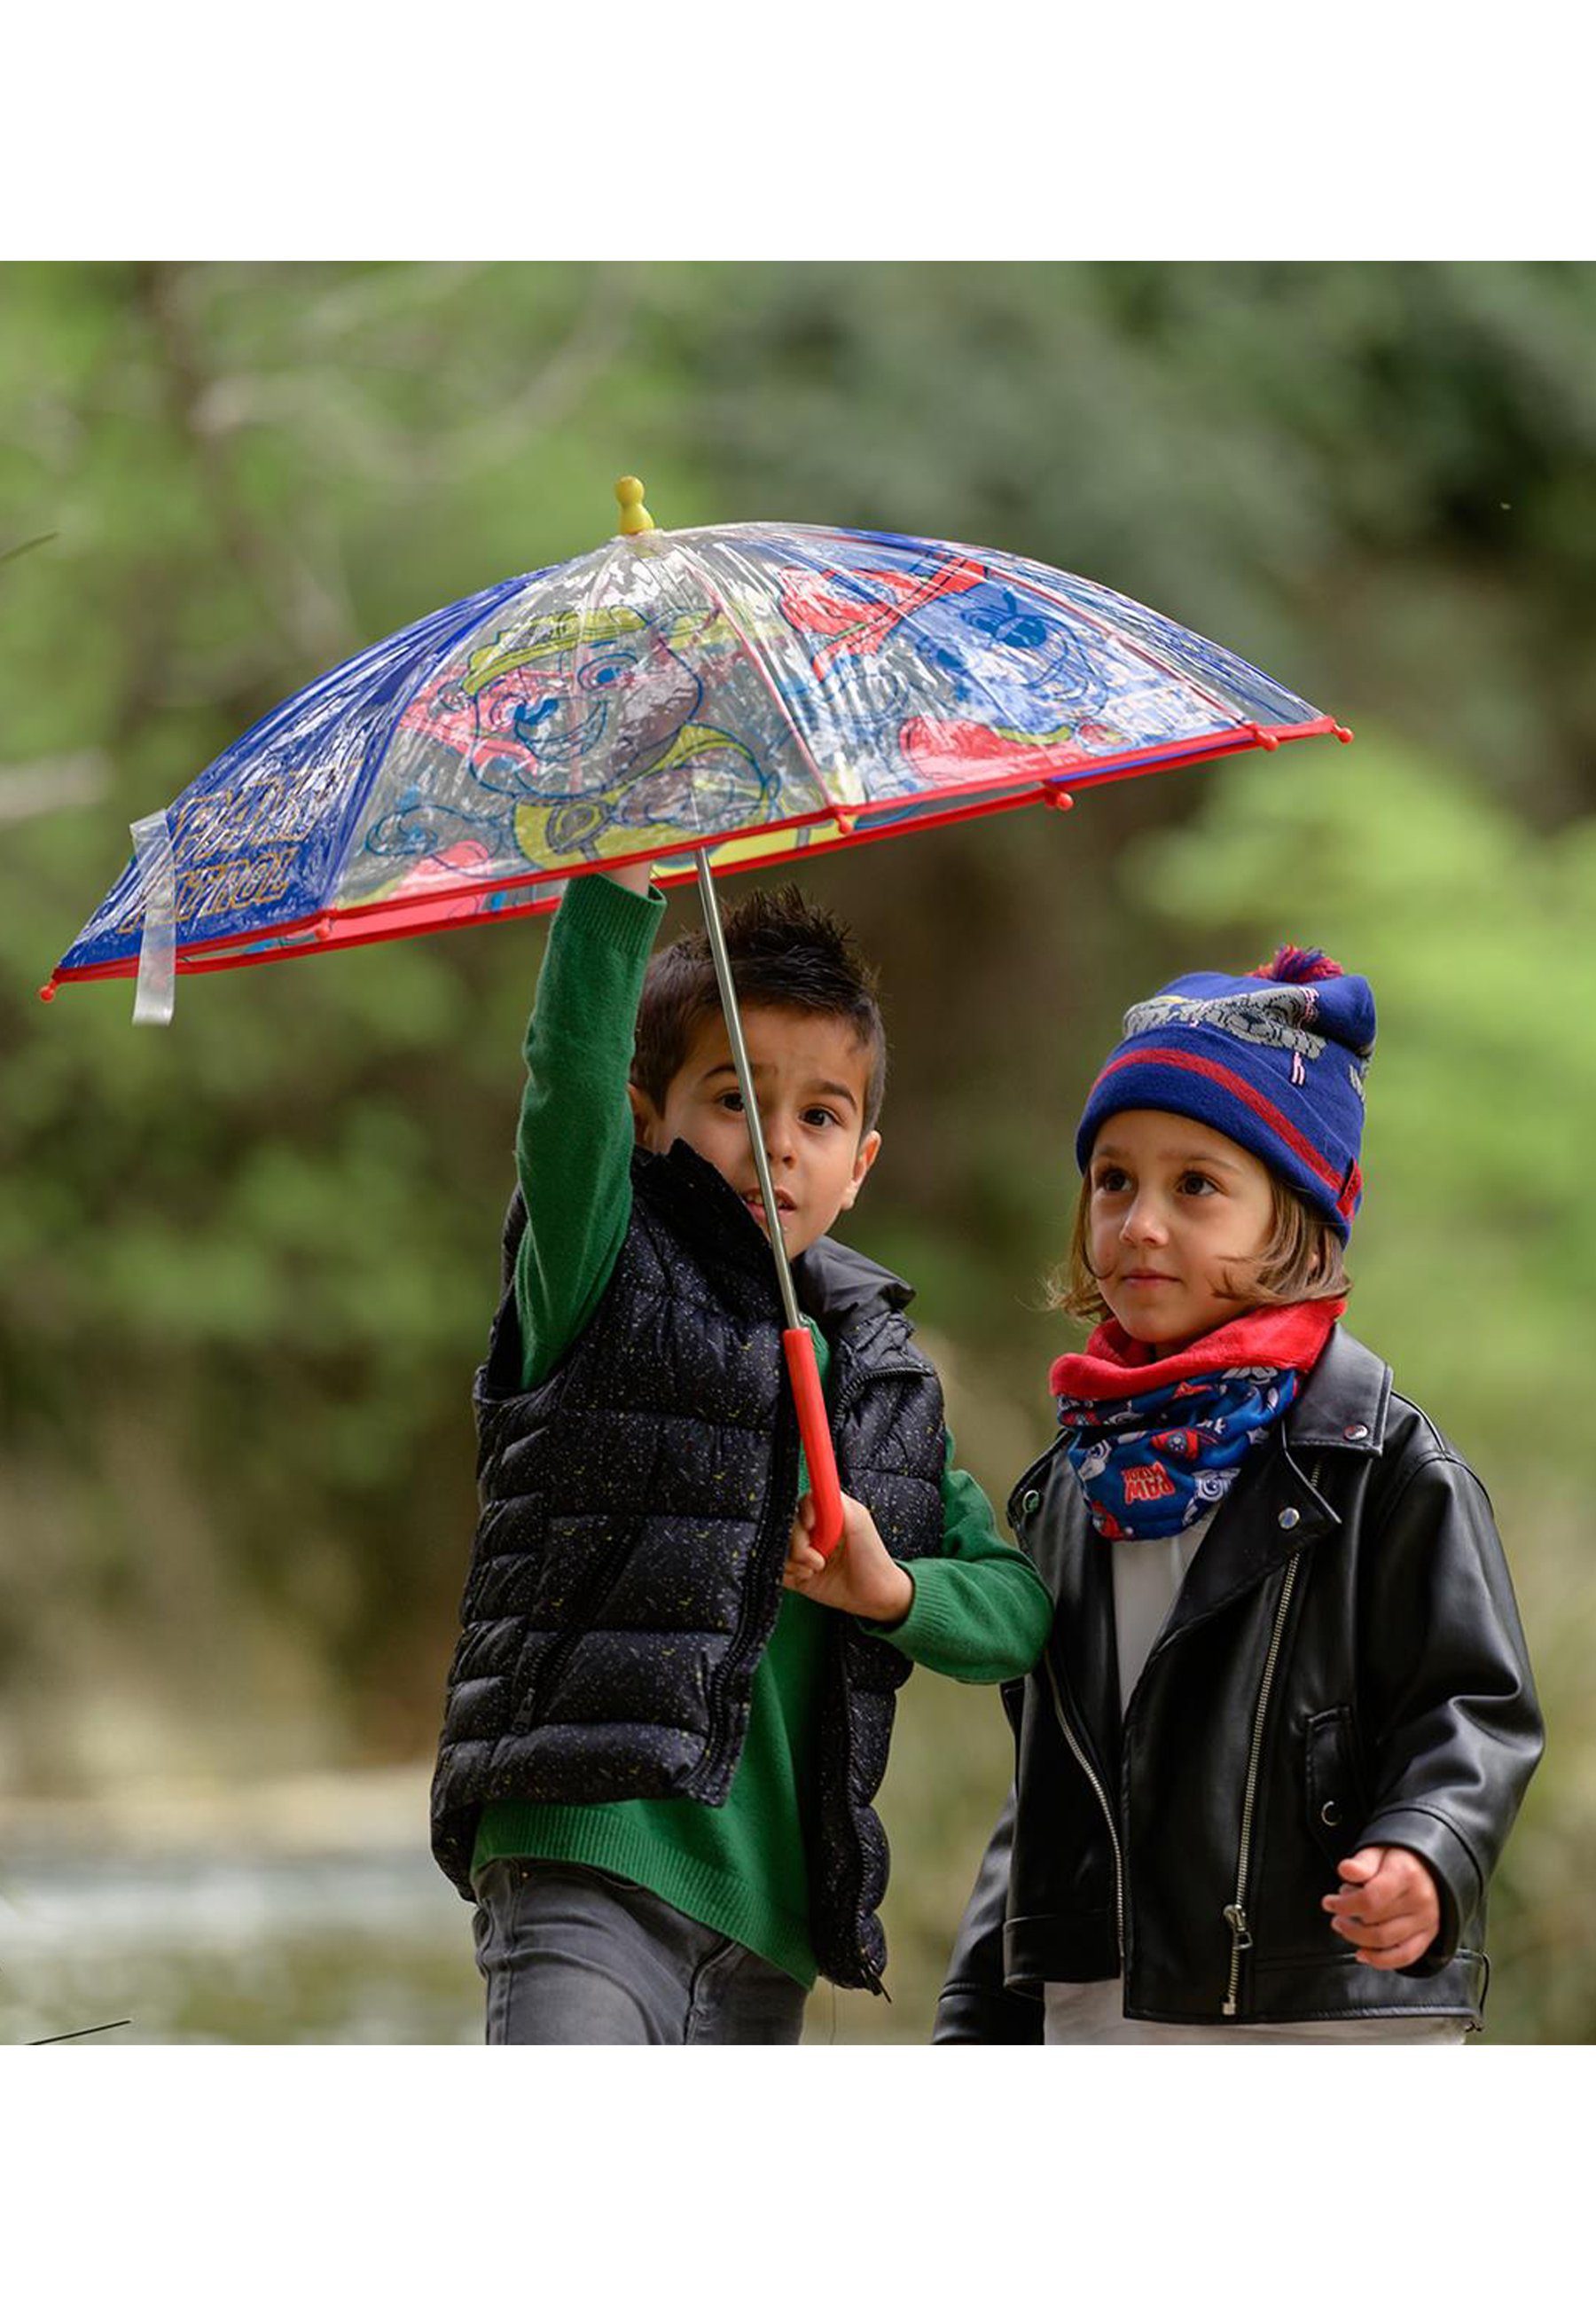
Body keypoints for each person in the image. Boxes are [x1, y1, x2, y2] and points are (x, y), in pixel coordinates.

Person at [430, 860, 1052, 2043]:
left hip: (768, 1922)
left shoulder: (884, 1387)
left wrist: (894, 1588)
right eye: (733, 1099)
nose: (777, 1144)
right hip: (591, 1856)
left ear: (862, 1162)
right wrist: (614, 883)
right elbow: (564, 1088)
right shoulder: (600, 1271)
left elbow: (1017, 1610)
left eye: (819, 1115)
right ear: (649, 1115)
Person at [933, 946, 1543, 2043]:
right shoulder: (1070, 1488)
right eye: (1114, 1179)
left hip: (1326, 2003)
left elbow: (1473, 1707)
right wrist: (980, 2011)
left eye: (1197, 1185)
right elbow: (1048, 1789)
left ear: (1295, 1216)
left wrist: (1427, 1849)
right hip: (1108, 2009)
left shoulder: (1387, 1469)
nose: (1141, 1222)